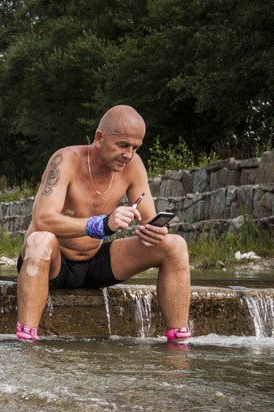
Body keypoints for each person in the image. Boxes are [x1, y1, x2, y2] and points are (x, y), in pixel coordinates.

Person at [15, 105, 191, 343]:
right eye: (123, 145)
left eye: (135, 147)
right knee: (39, 240)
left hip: (96, 262)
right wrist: (101, 225)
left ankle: (178, 341)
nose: (128, 154)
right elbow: (43, 219)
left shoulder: (133, 165)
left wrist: (156, 230)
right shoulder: (65, 159)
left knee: (175, 245)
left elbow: (149, 217)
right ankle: (27, 340)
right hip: (54, 263)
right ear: (100, 138)